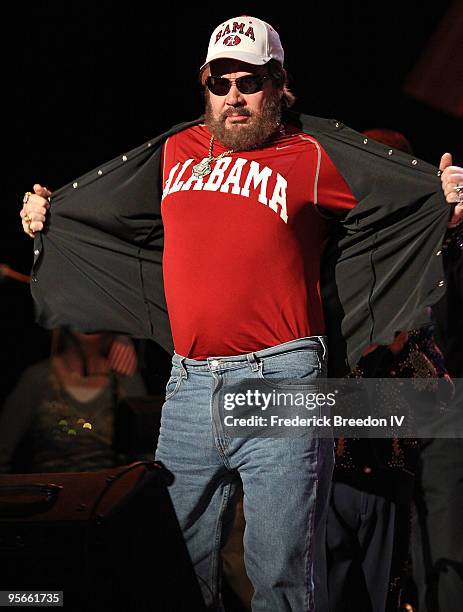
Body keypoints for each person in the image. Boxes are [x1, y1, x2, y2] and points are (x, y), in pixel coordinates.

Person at [18, 15, 463, 611]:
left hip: (284, 377)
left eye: (249, 82)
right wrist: (49, 213)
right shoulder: (174, 151)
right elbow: (95, 210)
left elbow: (401, 208)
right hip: (189, 386)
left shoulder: (310, 155)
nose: (233, 97)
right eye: (219, 83)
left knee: (282, 575)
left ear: (279, 86)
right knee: (174, 569)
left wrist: (445, 205)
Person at [0, 328, 147, 473]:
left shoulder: (124, 378)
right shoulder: (38, 378)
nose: (86, 320)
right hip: (52, 492)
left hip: (111, 492)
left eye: (93, 311)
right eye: (80, 309)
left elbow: (147, 453)